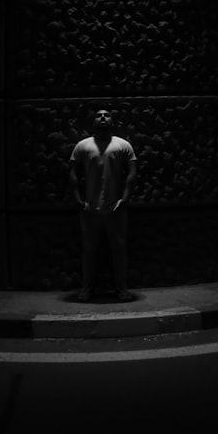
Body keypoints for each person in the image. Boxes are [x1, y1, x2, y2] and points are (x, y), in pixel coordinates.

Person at [68, 108, 138, 302]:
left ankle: (121, 289)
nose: (103, 118)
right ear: (93, 122)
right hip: (89, 208)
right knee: (89, 250)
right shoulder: (83, 146)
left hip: (116, 208)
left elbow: (132, 173)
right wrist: (77, 198)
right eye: (98, 115)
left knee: (119, 249)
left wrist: (124, 199)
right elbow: (72, 173)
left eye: (107, 115)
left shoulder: (122, 145)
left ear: (112, 121)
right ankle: (87, 288)